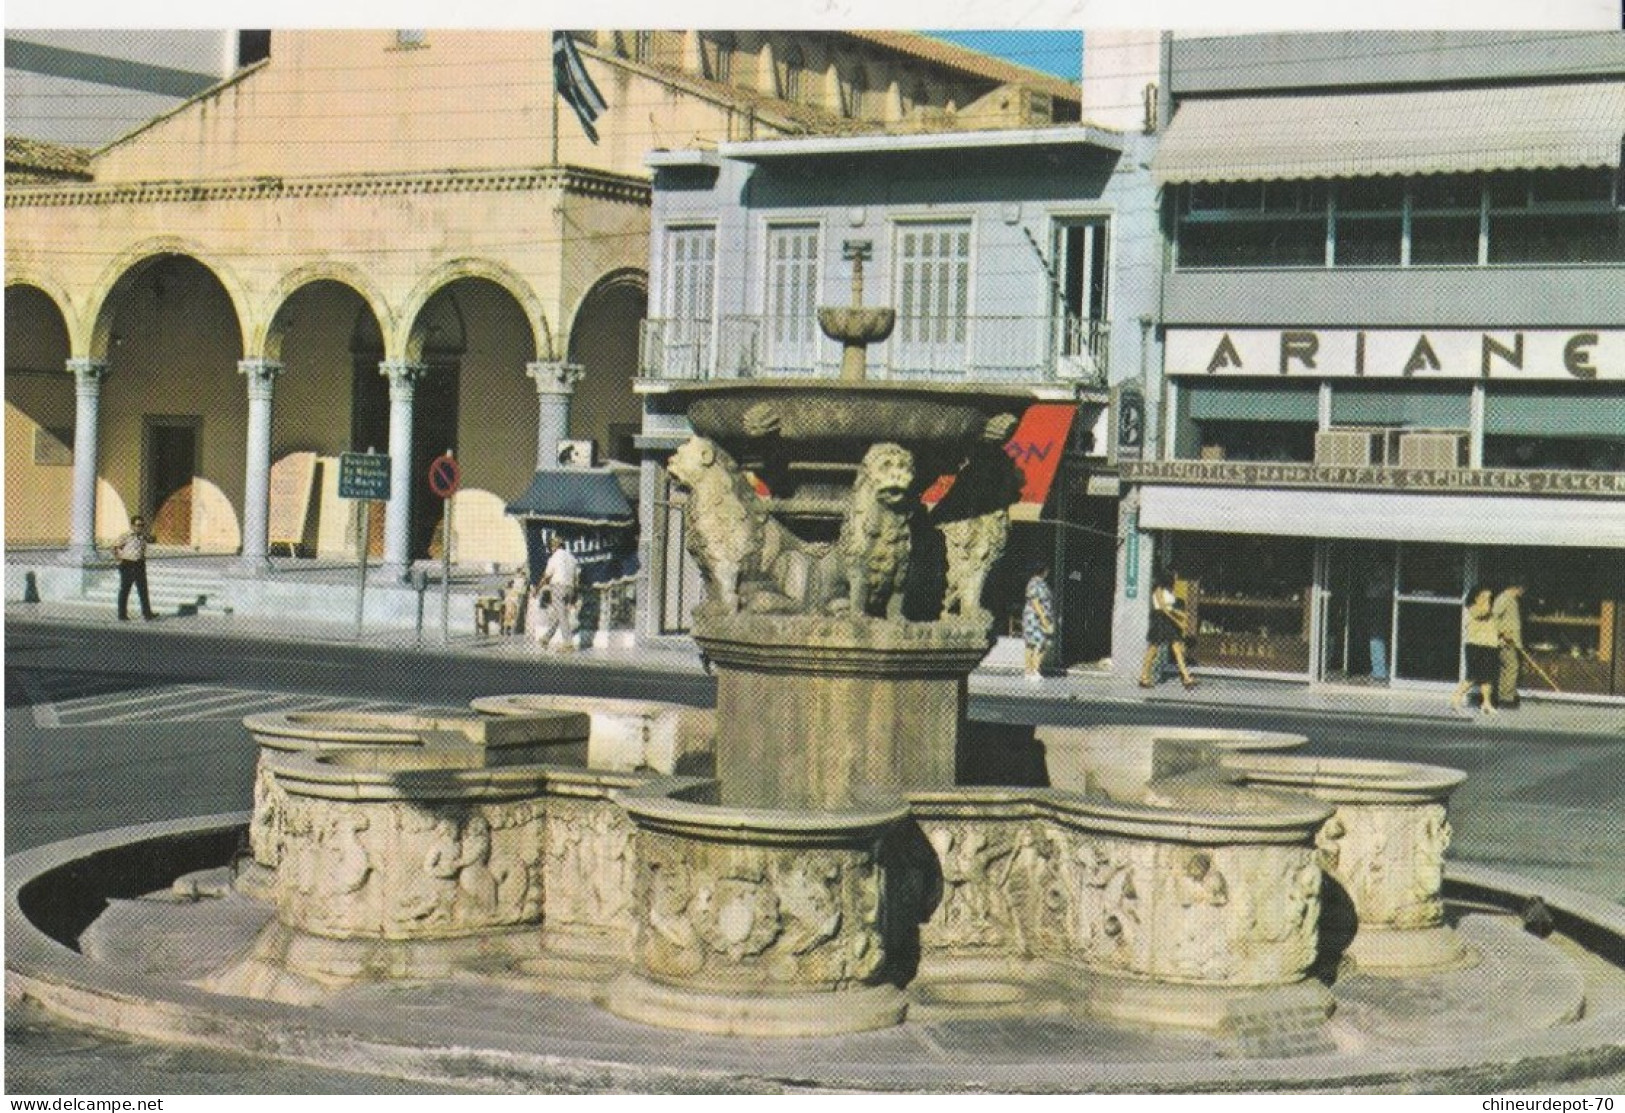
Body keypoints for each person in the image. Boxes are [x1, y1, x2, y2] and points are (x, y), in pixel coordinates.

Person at [1140, 570, 1196, 689]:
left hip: (1168, 621)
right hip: (1160, 620)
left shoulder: (1169, 591)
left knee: (1177, 649)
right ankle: (1143, 677)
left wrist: (1181, 614)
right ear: (1168, 578)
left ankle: (1186, 678)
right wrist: (1178, 621)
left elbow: (1170, 607)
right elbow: (1163, 609)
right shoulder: (1158, 590)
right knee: (1153, 650)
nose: (1176, 579)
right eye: (1175, 577)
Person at [1451, 585, 1499, 716]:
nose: (1487, 599)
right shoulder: (1472, 608)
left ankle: (1486, 703)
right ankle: (1456, 697)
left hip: (1490, 644)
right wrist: (1487, 602)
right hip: (1475, 644)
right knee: (1473, 675)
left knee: (1487, 677)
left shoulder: (1491, 610)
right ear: (1476, 597)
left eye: (1489, 597)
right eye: (1484, 596)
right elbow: (1483, 612)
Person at [533, 535, 580, 651]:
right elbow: (576, 577)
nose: (551, 548)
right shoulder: (572, 558)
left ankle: (568, 644)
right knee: (561, 614)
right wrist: (575, 594)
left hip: (558, 587)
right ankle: (546, 638)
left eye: (552, 545)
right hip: (570, 587)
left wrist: (537, 588)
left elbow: (547, 575)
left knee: (562, 615)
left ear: (555, 546)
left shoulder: (555, 557)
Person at [110, 514, 157, 621]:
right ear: (132, 525)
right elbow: (114, 547)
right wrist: (119, 559)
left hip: (139, 564)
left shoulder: (142, 537)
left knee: (143, 590)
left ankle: (147, 613)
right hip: (128, 564)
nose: (140, 527)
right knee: (125, 590)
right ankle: (122, 615)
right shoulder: (126, 536)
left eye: (142, 525)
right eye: (138, 525)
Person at [1493, 580, 1526, 709]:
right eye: (1522, 589)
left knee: (1507, 669)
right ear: (1516, 588)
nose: (1523, 593)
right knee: (1511, 668)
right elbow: (1494, 617)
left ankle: (1505, 695)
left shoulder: (1512, 599)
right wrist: (1502, 632)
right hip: (1506, 642)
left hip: (1512, 641)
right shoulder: (1504, 599)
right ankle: (1506, 698)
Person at [1021, 565, 1055, 680]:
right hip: (1036, 618)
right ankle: (1034, 670)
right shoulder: (1037, 584)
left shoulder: (1034, 582)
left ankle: (1029, 671)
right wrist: (1043, 619)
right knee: (1041, 644)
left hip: (1031, 617)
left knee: (1030, 644)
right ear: (1044, 571)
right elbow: (1035, 602)